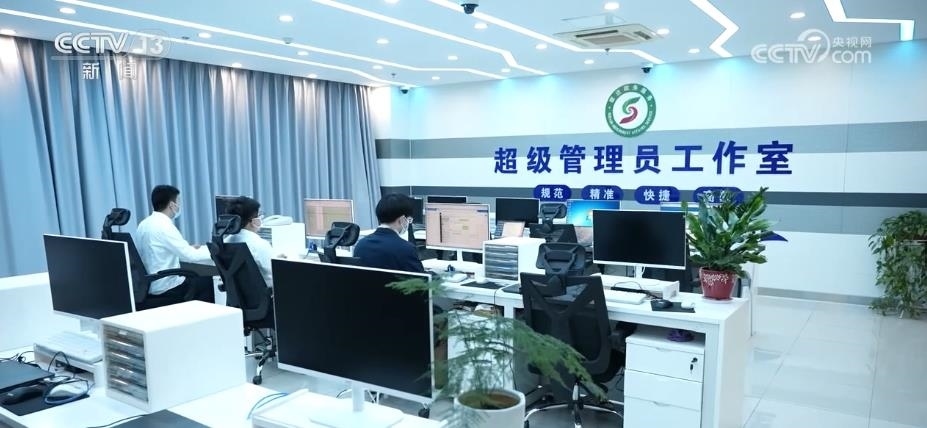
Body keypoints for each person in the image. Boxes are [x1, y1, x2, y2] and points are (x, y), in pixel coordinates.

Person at [135, 185, 215, 306]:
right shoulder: (164, 226)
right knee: (211, 282)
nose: (179, 205)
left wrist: (188, 248)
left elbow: (159, 250)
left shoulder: (144, 224)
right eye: (178, 202)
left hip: (148, 286)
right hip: (166, 287)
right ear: (172, 205)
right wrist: (216, 251)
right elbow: (190, 256)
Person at [353, 194, 424, 273]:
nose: (409, 223)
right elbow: (422, 279)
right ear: (402, 220)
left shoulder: (361, 245)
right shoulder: (406, 249)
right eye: (409, 220)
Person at [224, 196, 277, 287]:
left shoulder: (225, 242)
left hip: (240, 294)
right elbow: (275, 272)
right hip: (269, 293)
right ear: (254, 221)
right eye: (259, 215)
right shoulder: (259, 244)